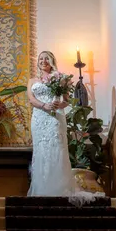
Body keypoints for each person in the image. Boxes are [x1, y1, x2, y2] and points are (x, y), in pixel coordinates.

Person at [26, 50, 104, 205]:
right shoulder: (32, 81)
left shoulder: (60, 78)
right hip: (39, 118)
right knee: (41, 150)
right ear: (38, 62)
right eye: (41, 58)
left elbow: (66, 100)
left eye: (46, 58)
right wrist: (44, 105)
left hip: (55, 118)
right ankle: (42, 188)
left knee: (56, 148)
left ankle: (59, 188)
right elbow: (31, 99)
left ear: (51, 61)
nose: (43, 61)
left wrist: (58, 104)